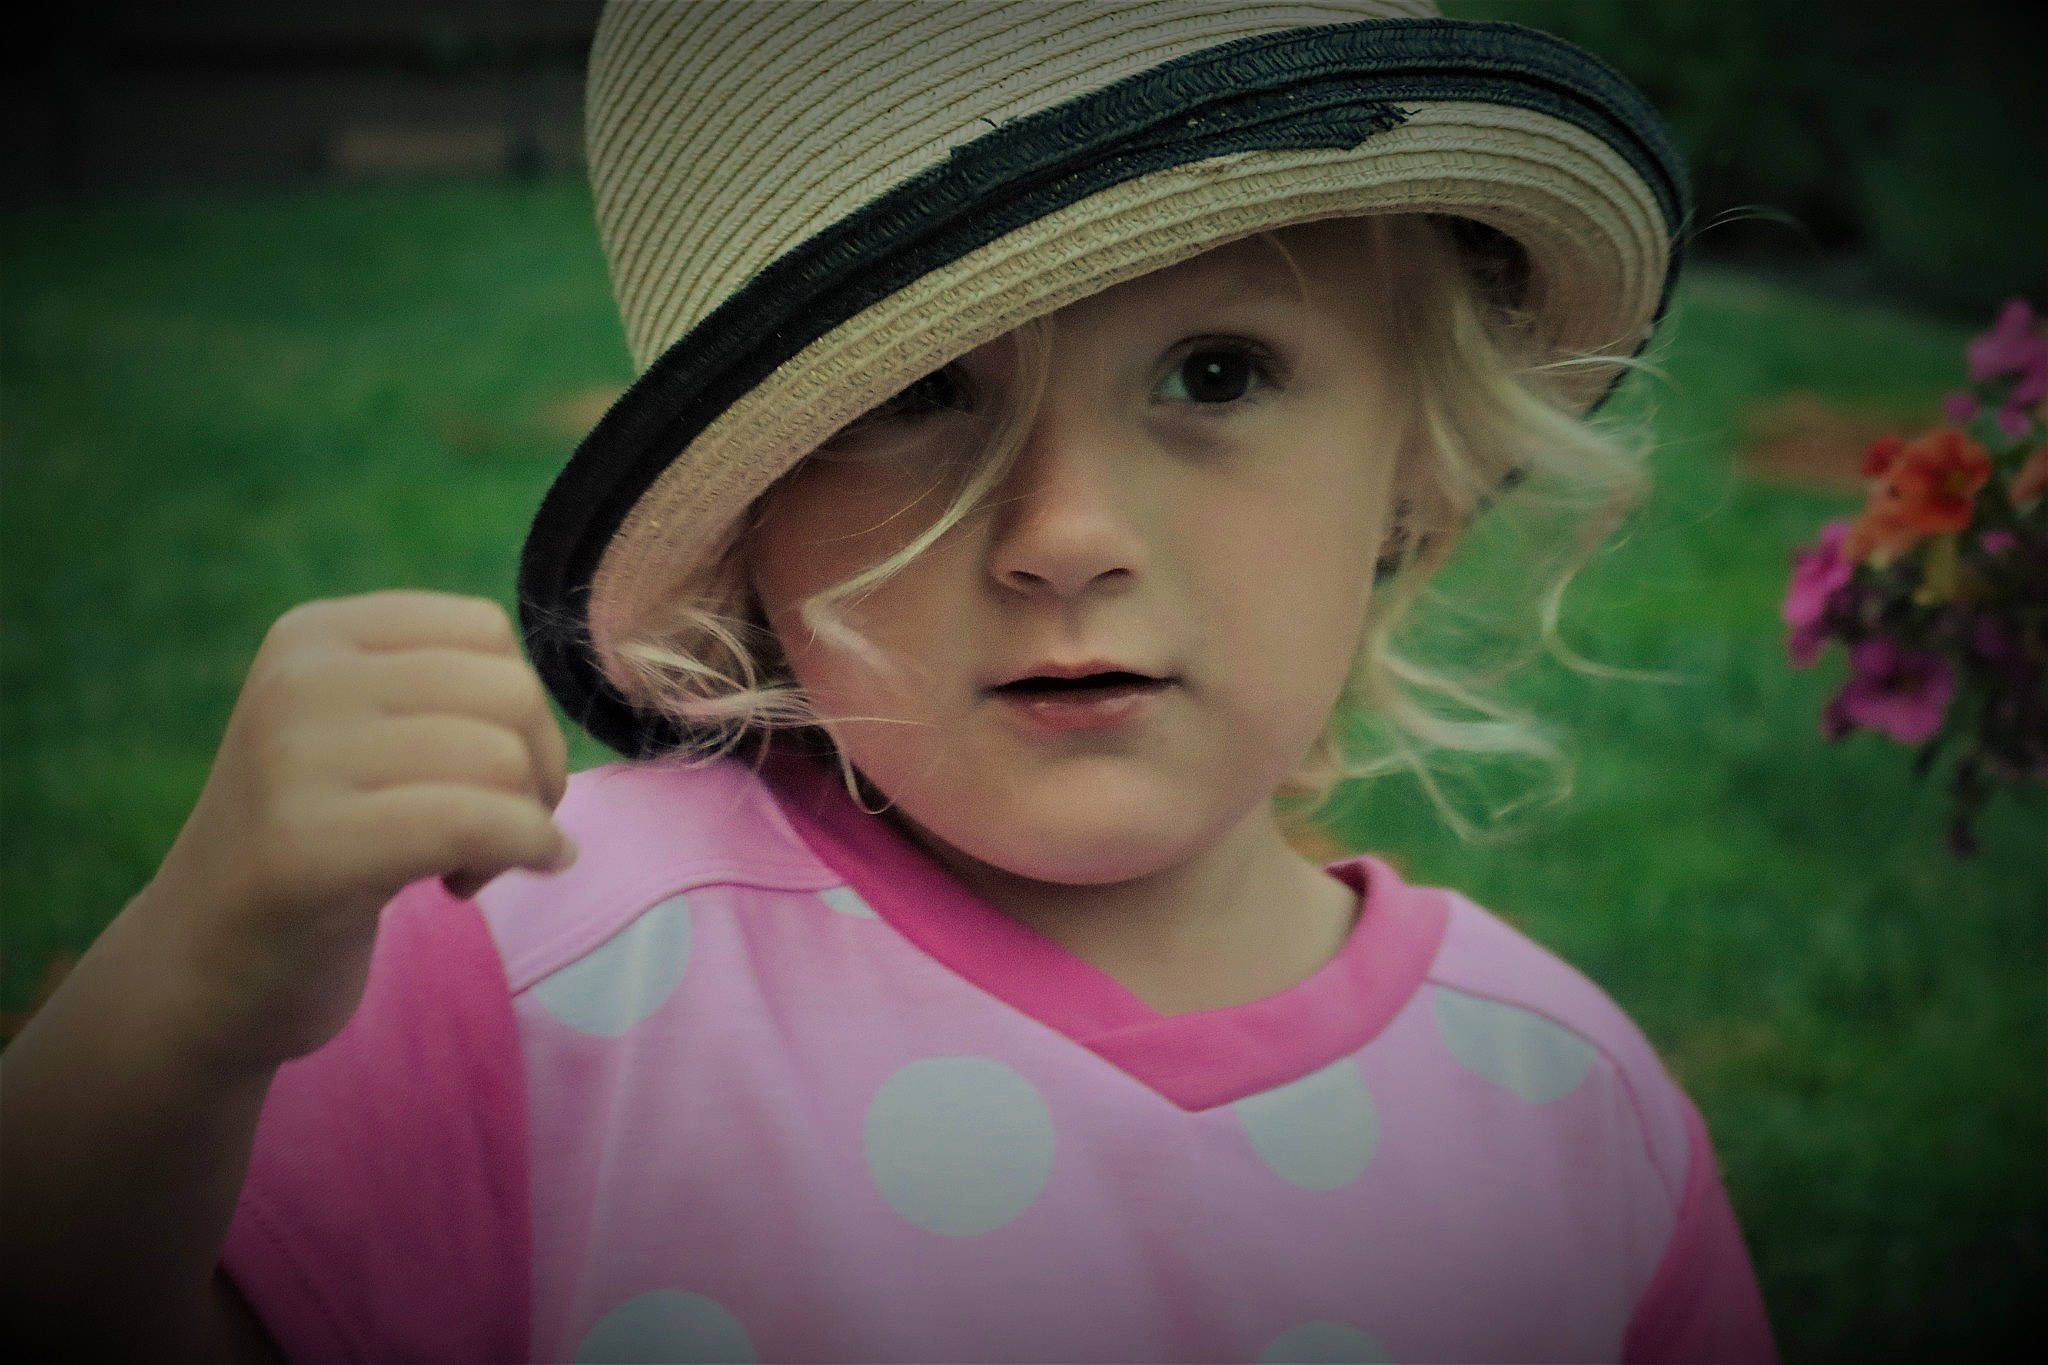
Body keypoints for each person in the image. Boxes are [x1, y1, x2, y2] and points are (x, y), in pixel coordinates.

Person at [1, 2, 1778, 1361]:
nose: (1065, 531)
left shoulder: (1571, 1121)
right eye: (918, 396)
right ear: (746, 525)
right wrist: (181, 999)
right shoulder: (526, 957)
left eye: (1218, 370)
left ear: (1419, 470)